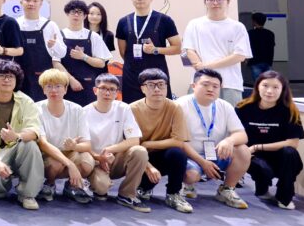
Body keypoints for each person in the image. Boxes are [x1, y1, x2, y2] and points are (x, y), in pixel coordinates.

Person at [0, 60, 44, 210]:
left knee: (30, 145)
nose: (6, 80)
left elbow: (34, 131)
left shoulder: (26, 101)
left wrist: (16, 136)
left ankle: (27, 194)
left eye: (11, 76)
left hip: (18, 149)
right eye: (2, 76)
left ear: (16, 80)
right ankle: (2, 187)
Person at [176, 69, 250, 209]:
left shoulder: (225, 106)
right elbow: (178, 141)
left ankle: (226, 189)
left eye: (215, 86)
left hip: (216, 153)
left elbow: (242, 135)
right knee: (191, 175)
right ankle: (187, 185)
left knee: (243, 150)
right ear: (194, 86)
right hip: (190, 155)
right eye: (205, 84)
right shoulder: (180, 105)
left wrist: (228, 141)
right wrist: (203, 162)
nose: (210, 89)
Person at [236, 70, 304, 209]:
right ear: (257, 86)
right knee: (261, 167)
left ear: (282, 90)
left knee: (290, 152)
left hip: (278, 156)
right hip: (252, 156)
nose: (269, 91)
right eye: (265, 85)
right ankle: (262, 188)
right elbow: (234, 134)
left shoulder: (290, 111)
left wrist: (257, 146)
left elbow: (292, 143)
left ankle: (284, 197)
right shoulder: (243, 108)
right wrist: (248, 151)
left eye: (275, 87)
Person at [83, 73, 151, 212]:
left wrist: (109, 150)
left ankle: (127, 194)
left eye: (112, 89)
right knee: (101, 188)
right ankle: (93, 183)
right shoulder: (84, 112)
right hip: (95, 161)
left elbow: (134, 139)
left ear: (116, 93)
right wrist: (99, 157)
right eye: (103, 88)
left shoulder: (123, 108)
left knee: (139, 151)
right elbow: (82, 145)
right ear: (95, 90)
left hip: (116, 159)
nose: (107, 93)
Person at [129, 69, 192, 213]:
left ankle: (173, 194)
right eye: (151, 85)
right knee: (138, 155)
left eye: (161, 85)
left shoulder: (174, 107)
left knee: (177, 153)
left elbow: (178, 141)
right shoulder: (132, 109)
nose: (157, 89)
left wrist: (148, 144)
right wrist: (148, 167)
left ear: (166, 87)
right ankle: (143, 188)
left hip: (161, 154)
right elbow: (130, 144)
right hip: (139, 156)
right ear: (143, 88)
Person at [182, 0, 252, 104]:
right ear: (205, 2)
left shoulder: (237, 27)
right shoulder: (194, 24)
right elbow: (189, 49)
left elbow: (240, 56)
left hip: (229, 83)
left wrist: (206, 66)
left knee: (229, 115)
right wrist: (202, 70)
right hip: (200, 82)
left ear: (228, 1)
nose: (215, 3)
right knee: (196, 114)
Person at [114, 0, 180, 103]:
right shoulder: (123, 21)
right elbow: (123, 52)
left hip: (157, 75)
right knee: (132, 108)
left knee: (160, 108)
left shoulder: (165, 20)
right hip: (131, 76)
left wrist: (156, 50)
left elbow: (177, 48)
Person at [35, 69, 93, 204]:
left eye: (58, 86)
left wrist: (75, 146)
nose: (53, 90)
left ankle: (73, 186)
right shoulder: (36, 109)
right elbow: (43, 144)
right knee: (55, 164)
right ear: (43, 90)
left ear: (65, 89)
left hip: (71, 152)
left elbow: (87, 145)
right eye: (49, 86)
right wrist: (70, 164)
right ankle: (49, 184)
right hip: (47, 155)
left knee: (87, 162)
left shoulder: (77, 110)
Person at [14, 0, 65, 101]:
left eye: (35, 1)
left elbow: (62, 53)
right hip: (19, 77)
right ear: (21, 2)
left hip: (43, 78)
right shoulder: (14, 24)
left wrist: (54, 46)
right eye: (28, 0)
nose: (31, 4)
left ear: (41, 3)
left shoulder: (50, 25)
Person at [59, 0, 111, 107]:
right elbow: (56, 63)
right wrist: (71, 80)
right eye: (73, 12)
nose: (76, 15)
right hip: (65, 85)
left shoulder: (93, 36)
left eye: (80, 12)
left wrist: (84, 57)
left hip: (88, 85)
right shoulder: (60, 35)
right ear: (67, 14)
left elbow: (101, 63)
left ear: (85, 16)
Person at [246, 13, 276, 83]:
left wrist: (246, 59)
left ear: (254, 21)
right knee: (267, 83)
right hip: (267, 61)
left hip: (255, 61)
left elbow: (247, 47)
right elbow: (272, 47)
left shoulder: (250, 33)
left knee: (258, 83)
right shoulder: (270, 33)